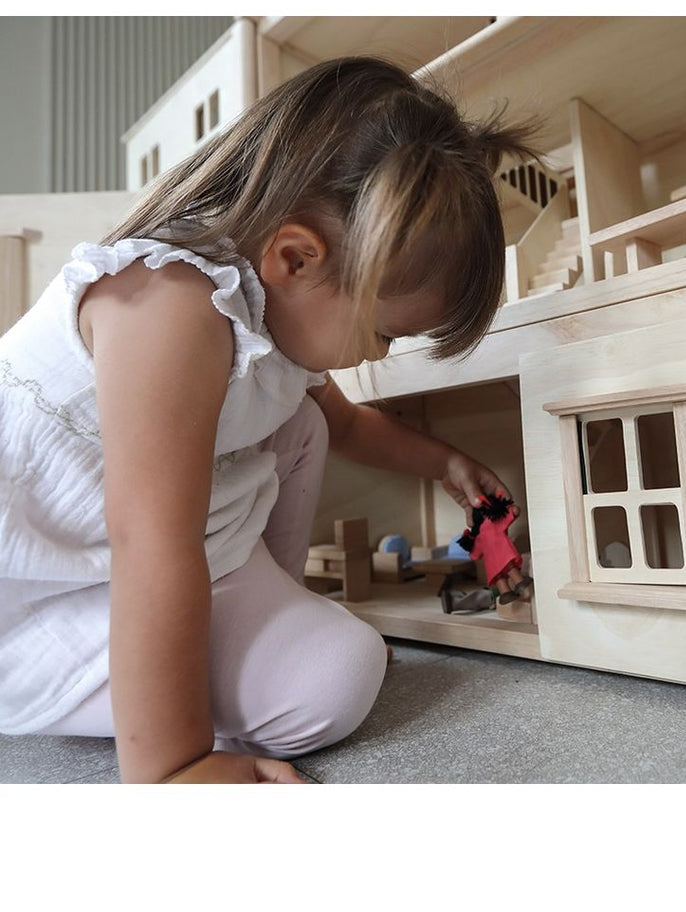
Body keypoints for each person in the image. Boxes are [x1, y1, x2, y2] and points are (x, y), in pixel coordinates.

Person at [0, 55, 541, 783]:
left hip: (130, 560)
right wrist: (174, 767)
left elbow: (344, 427)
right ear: (295, 258)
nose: (378, 353)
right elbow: (152, 544)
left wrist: (443, 461)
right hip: (35, 594)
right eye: (388, 333)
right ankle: (178, 712)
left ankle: (257, 630)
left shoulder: (274, 316)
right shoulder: (168, 307)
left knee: (302, 427)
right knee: (336, 680)